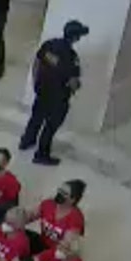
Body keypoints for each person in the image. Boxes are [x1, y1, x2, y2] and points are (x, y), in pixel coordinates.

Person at [20, 19, 88, 166]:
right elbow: (73, 82)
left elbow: (37, 63)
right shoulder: (71, 57)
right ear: (75, 37)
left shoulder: (49, 44)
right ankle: (42, 154)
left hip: (42, 89)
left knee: (36, 117)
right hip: (59, 97)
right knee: (51, 126)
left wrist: (35, 82)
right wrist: (76, 86)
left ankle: (26, 141)